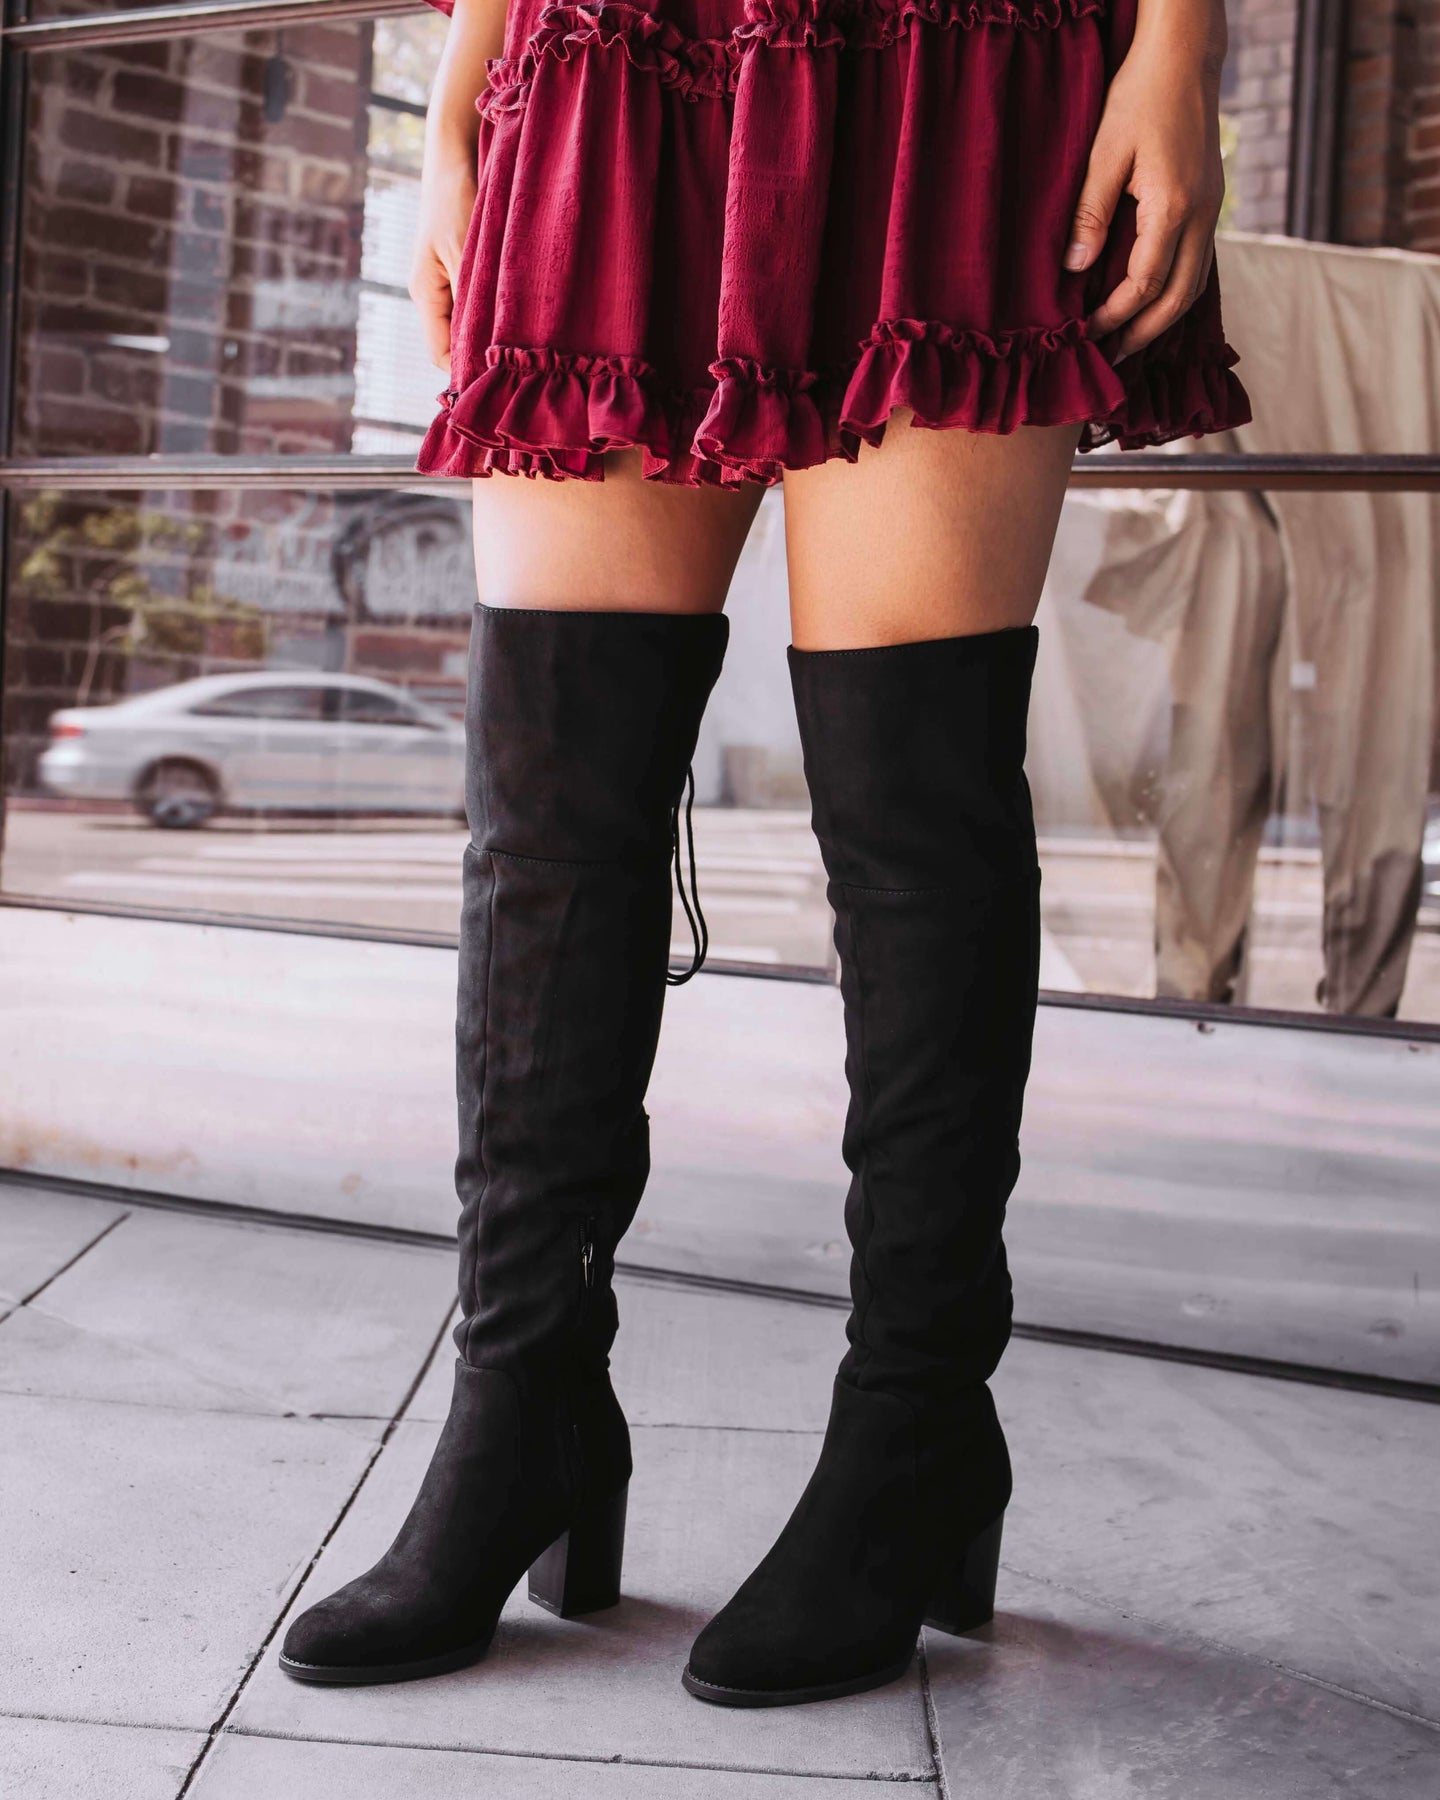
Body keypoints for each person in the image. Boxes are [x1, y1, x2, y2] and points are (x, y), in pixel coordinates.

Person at [279, 0, 1250, 1704]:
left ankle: (915, 1427)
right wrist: (453, 113)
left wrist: (1179, 46)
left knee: (914, 806)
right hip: (608, 69)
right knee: (548, 824)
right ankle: (523, 1407)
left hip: (954, 59)